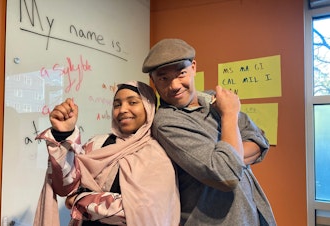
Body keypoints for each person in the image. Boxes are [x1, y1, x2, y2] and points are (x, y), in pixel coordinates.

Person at [142, 38, 276, 226]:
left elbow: (260, 141)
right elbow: (226, 175)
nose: (174, 86)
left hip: (251, 215)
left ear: (193, 67)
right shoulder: (167, 122)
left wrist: (228, 157)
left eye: (181, 73)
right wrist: (230, 114)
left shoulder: (214, 99)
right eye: (163, 78)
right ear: (153, 81)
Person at [33, 81, 180, 226]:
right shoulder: (98, 144)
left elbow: (146, 211)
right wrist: (63, 134)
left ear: (149, 107)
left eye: (133, 102)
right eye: (117, 104)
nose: (122, 110)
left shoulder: (159, 154)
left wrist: (83, 200)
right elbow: (65, 185)